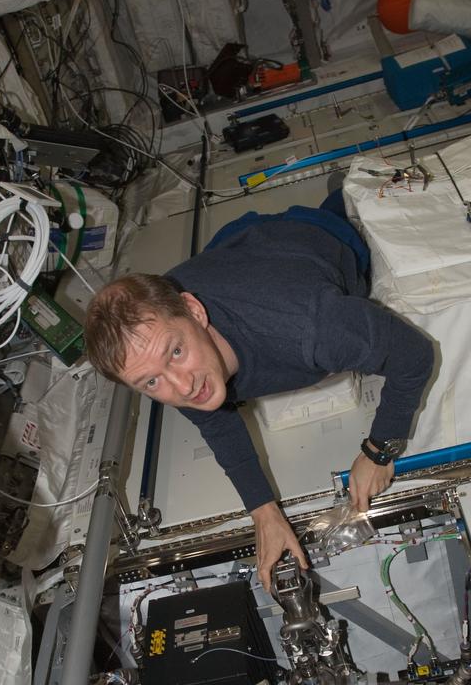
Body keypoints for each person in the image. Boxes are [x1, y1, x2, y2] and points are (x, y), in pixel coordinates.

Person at [84, 197, 435, 589]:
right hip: (235, 245)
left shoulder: (313, 329)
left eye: (176, 352)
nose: (181, 386)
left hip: (317, 235)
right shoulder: (164, 345)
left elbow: (413, 355)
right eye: (150, 382)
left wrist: (379, 450)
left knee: (348, 216)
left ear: (195, 312)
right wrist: (263, 511)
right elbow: (215, 423)